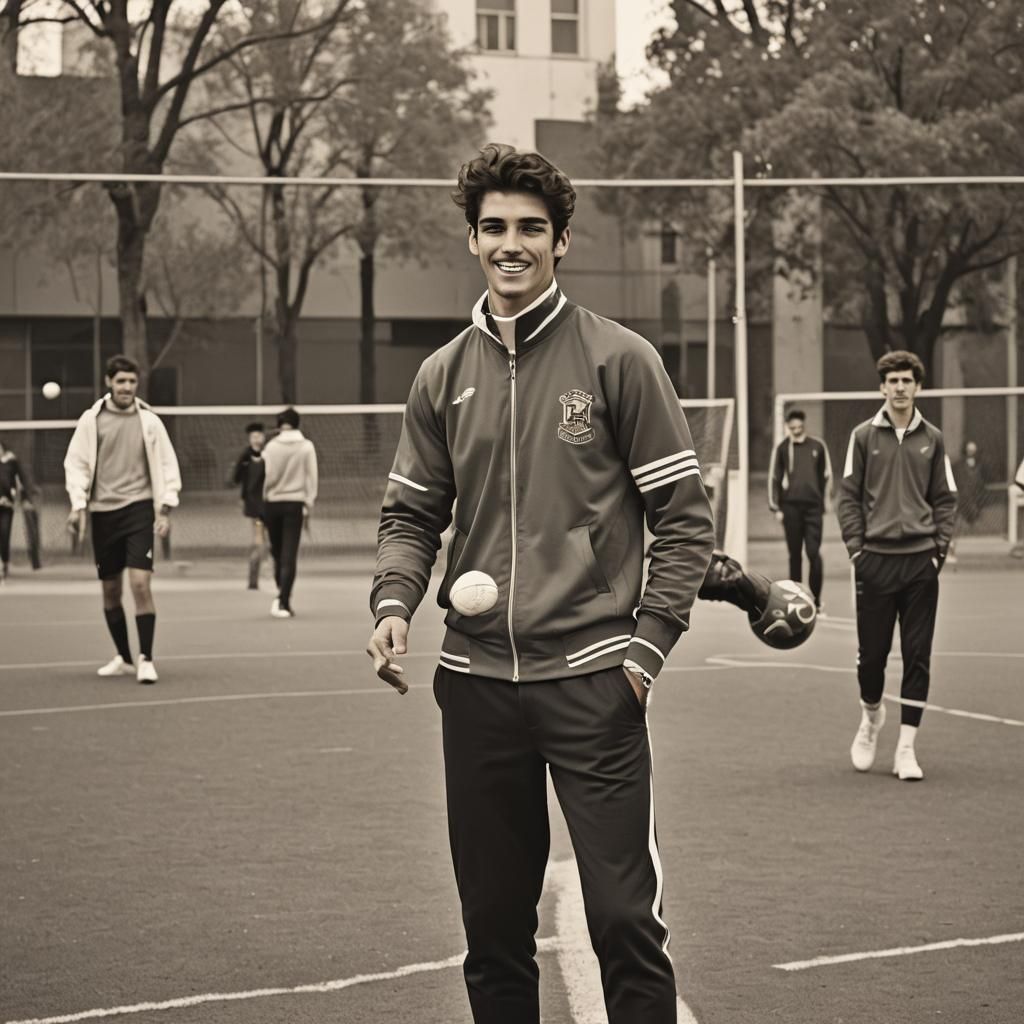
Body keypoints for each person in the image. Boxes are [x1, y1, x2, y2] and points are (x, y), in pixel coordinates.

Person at [366, 144, 715, 1024]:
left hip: (596, 681)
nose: (510, 243)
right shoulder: (440, 376)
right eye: (494, 228)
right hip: (478, 689)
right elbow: (411, 518)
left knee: (627, 921)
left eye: (531, 228)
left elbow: (683, 517)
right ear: (473, 240)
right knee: (491, 930)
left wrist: (645, 651)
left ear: (561, 242)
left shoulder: (621, 359)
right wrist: (394, 602)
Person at [838, 350, 957, 781]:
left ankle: (906, 748)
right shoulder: (863, 436)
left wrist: (938, 549)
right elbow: (848, 496)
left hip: (920, 563)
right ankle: (871, 718)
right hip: (875, 562)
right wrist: (856, 549)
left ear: (918, 386)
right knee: (871, 659)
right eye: (893, 381)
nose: (901, 387)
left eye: (907, 380)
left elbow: (945, 498)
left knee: (917, 656)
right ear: (882, 387)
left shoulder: (934, 438)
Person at [63, 355, 182, 683]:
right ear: (109, 383)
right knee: (111, 590)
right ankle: (124, 657)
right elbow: (77, 465)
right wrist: (77, 505)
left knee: (141, 584)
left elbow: (169, 466)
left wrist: (166, 507)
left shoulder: (150, 422)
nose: (127, 387)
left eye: (131, 381)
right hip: (103, 515)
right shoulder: (91, 421)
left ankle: (146, 658)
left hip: (139, 510)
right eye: (121, 382)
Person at [767, 408, 832, 613]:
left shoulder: (818, 446)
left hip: (813, 508)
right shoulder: (782, 448)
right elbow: (774, 478)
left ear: (804, 425)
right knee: (794, 554)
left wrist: (825, 502)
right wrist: (776, 507)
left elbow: (827, 475)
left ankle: (817, 601)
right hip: (790, 508)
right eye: (792, 427)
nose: (796, 430)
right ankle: (797, 600)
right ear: (788, 427)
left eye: (799, 427)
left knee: (813, 553)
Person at [261, 407, 317, 618]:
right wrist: (309, 503)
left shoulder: (271, 447)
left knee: (277, 552)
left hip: (272, 504)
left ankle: (280, 594)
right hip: (295, 504)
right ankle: (283, 600)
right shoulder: (306, 447)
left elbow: (265, 478)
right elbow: (312, 477)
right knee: (289, 554)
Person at [229, 421, 267, 589]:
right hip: (254, 505)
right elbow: (235, 479)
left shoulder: (269, 454)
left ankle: (268, 566)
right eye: (253, 436)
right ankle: (254, 575)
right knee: (259, 539)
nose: (256, 439)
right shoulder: (245, 456)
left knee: (268, 539)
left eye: (258, 435)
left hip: (270, 502)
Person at [0, 437, 37, 582]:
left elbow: (19, 481)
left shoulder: (11, 462)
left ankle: (5, 564)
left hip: (7, 506)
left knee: (4, 534)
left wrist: (22, 497)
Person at [950, 440, 987, 559]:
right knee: (958, 523)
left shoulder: (980, 466)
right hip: (962, 498)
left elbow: (983, 482)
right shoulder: (957, 466)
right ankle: (954, 542)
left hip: (976, 498)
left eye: (973, 450)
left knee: (976, 520)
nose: (971, 452)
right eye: (969, 450)